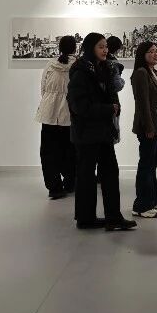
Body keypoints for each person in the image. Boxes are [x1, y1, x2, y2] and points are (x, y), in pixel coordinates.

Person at [68, 33, 136, 232]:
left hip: (103, 131)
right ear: (91, 48)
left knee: (110, 174)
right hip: (87, 133)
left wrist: (114, 107)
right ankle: (86, 218)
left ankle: (113, 217)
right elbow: (79, 107)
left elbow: (111, 93)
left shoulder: (104, 69)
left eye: (106, 46)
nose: (105, 50)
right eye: (101, 47)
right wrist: (108, 109)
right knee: (86, 176)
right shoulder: (80, 72)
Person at [130, 40, 157, 218]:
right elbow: (143, 103)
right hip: (148, 126)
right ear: (142, 55)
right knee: (146, 165)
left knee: (152, 163)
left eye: (156, 51)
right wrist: (149, 126)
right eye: (151, 51)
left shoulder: (156, 73)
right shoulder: (141, 73)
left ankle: (152, 199)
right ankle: (140, 205)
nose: (155, 54)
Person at [35, 35, 76, 200]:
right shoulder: (77, 66)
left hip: (49, 113)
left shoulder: (50, 65)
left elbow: (43, 89)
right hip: (70, 115)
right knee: (71, 150)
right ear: (75, 48)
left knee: (48, 152)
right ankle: (71, 182)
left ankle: (54, 187)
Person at [107, 35, 126, 142]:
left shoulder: (97, 61)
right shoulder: (113, 63)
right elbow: (117, 84)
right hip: (112, 101)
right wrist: (123, 81)